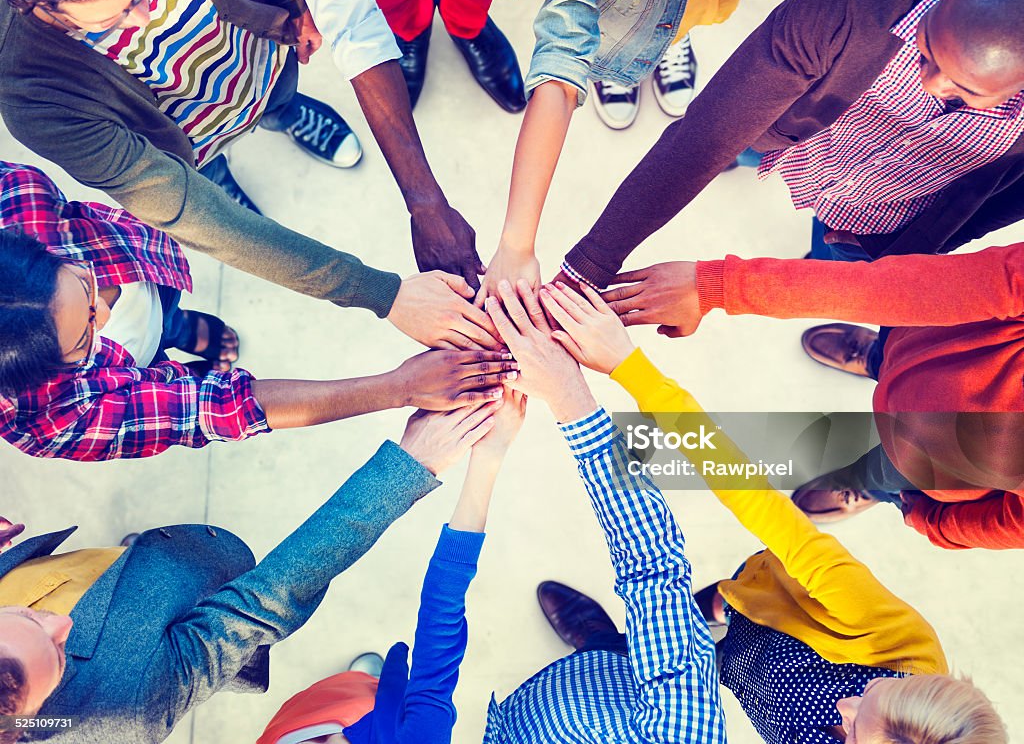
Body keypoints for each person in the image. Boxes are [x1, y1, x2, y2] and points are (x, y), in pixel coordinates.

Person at [0, 0, 501, 347]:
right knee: (206, 183)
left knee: (281, 102)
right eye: (113, 20)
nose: (146, 13)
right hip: (189, 141)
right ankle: (217, 172)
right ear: (43, 11)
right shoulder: (34, 95)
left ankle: (288, 115)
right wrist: (381, 294)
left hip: (263, 63)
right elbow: (192, 213)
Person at [535, 278, 1008, 744]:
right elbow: (749, 490)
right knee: (703, 612)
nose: (845, 706)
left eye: (853, 730)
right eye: (874, 689)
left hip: (744, 681)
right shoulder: (895, 635)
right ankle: (705, 611)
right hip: (758, 602)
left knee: (659, 668)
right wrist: (630, 368)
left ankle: (610, 650)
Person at [0, 402, 503, 744]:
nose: (63, 624)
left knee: (125, 576)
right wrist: (409, 469)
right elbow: (265, 598)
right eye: (59, 657)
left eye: (26, 621)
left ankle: (130, 575)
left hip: (94, 571)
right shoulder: (126, 708)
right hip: (180, 637)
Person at [555, 0, 1024, 291]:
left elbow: (1005, 203)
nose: (931, 82)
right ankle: (752, 155)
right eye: (924, 50)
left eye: (963, 89)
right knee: (739, 142)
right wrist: (593, 261)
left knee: (839, 271)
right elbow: (709, 134)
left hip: (892, 215)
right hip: (799, 135)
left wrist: (916, 250)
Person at [0, 162, 518, 460]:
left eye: (86, 285)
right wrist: (397, 387)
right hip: (135, 362)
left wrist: (384, 292)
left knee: (175, 320)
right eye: (85, 341)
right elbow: (210, 408)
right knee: (159, 353)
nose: (105, 315)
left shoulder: (17, 199)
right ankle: (180, 338)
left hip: (151, 271)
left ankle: (186, 328)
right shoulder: (48, 419)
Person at [477, 0, 798, 299]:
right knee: (608, 52)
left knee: (690, 17)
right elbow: (561, 55)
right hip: (615, 26)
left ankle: (670, 42)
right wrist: (516, 245)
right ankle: (620, 67)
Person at [598, 247, 1024, 549]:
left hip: (930, 467)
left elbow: (1011, 525)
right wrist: (718, 287)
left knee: (888, 474)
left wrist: (932, 522)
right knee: (898, 331)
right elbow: (900, 290)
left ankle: (865, 486)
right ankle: (877, 357)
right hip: (926, 339)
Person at [250, 0, 543, 287]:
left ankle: (468, 30)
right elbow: (352, 20)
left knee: (475, 3)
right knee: (398, 22)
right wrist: (424, 204)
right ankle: (413, 33)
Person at [478, 279, 726, 744]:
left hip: (528, 723)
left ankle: (605, 646)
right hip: (618, 688)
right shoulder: (681, 731)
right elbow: (651, 565)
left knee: (660, 639)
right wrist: (572, 396)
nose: (848, 706)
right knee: (656, 620)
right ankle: (610, 643)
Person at [255, 387, 526, 744]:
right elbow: (440, 617)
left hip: (309, 720)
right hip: (374, 716)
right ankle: (366, 686)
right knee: (362, 692)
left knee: (329, 699)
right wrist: (489, 456)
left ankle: (358, 686)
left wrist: (399, 389)